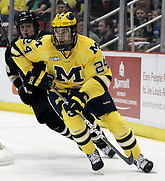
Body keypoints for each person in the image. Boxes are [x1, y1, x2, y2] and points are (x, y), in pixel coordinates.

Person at [11, 12, 154, 173]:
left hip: (88, 89)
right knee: (73, 122)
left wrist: (82, 95)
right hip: (60, 91)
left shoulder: (88, 48)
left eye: (64, 31)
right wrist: (33, 76)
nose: (60, 36)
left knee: (115, 121)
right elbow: (16, 49)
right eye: (57, 31)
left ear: (73, 31)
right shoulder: (44, 44)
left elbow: (103, 76)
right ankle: (91, 153)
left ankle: (137, 157)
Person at [6, 11, 115, 162]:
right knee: (49, 118)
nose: (25, 30)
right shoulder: (13, 48)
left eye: (29, 26)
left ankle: (98, 138)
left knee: (78, 111)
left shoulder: (51, 39)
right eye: (22, 27)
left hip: (58, 83)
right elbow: (11, 72)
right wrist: (21, 87)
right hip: (36, 89)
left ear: (36, 26)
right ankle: (79, 139)